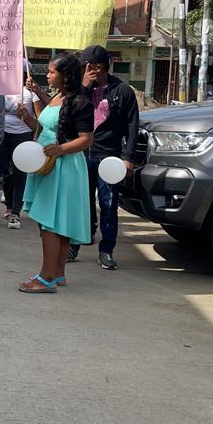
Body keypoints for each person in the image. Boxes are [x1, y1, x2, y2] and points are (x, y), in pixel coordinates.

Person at [16, 52, 94, 293]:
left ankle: (46, 277)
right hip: (48, 163)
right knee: (56, 222)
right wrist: (28, 117)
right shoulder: (57, 97)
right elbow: (45, 127)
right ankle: (58, 273)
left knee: (50, 223)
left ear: (65, 75)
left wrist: (60, 149)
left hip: (64, 166)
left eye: (51, 72)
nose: (47, 75)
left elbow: (86, 140)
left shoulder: (81, 102)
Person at [73, 44, 140, 270]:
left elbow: (133, 126)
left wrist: (128, 157)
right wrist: (84, 87)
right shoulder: (82, 89)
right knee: (82, 203)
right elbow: (70, 112)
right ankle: (76, 244)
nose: (83, 69)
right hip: (82, 156)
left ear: (97, 67)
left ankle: (106, 250)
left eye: (86, 66)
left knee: (109, 204)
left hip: (108, 158)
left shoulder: (122, 91)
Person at [0, 78, 38, 228]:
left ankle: (15, 213)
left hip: (22, 136)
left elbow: (39, 122)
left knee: (19, 174)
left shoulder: (30, 94)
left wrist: (26, 116)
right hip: (1, 135)